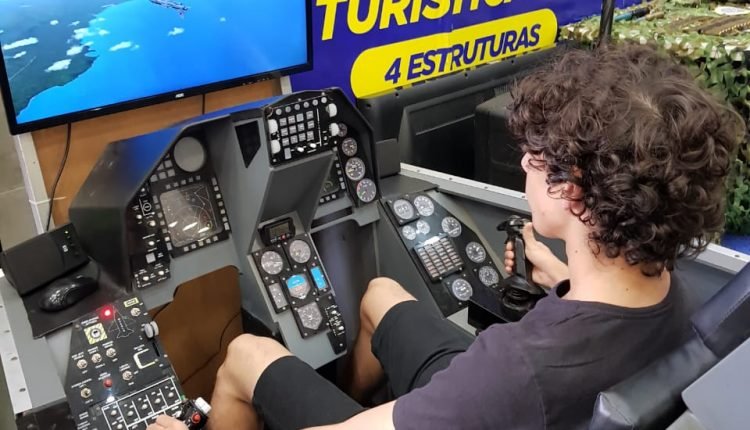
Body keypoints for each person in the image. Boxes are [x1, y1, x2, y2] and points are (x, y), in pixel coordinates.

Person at [147, 42, 743, 430]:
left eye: (537, 154)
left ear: (572, 190)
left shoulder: (514, 369)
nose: (525, 162)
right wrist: (563, 278)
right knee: (381, 296)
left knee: (247, 356)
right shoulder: (672, 289)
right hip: (526, 405)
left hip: (492, 405)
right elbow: (601, 330)